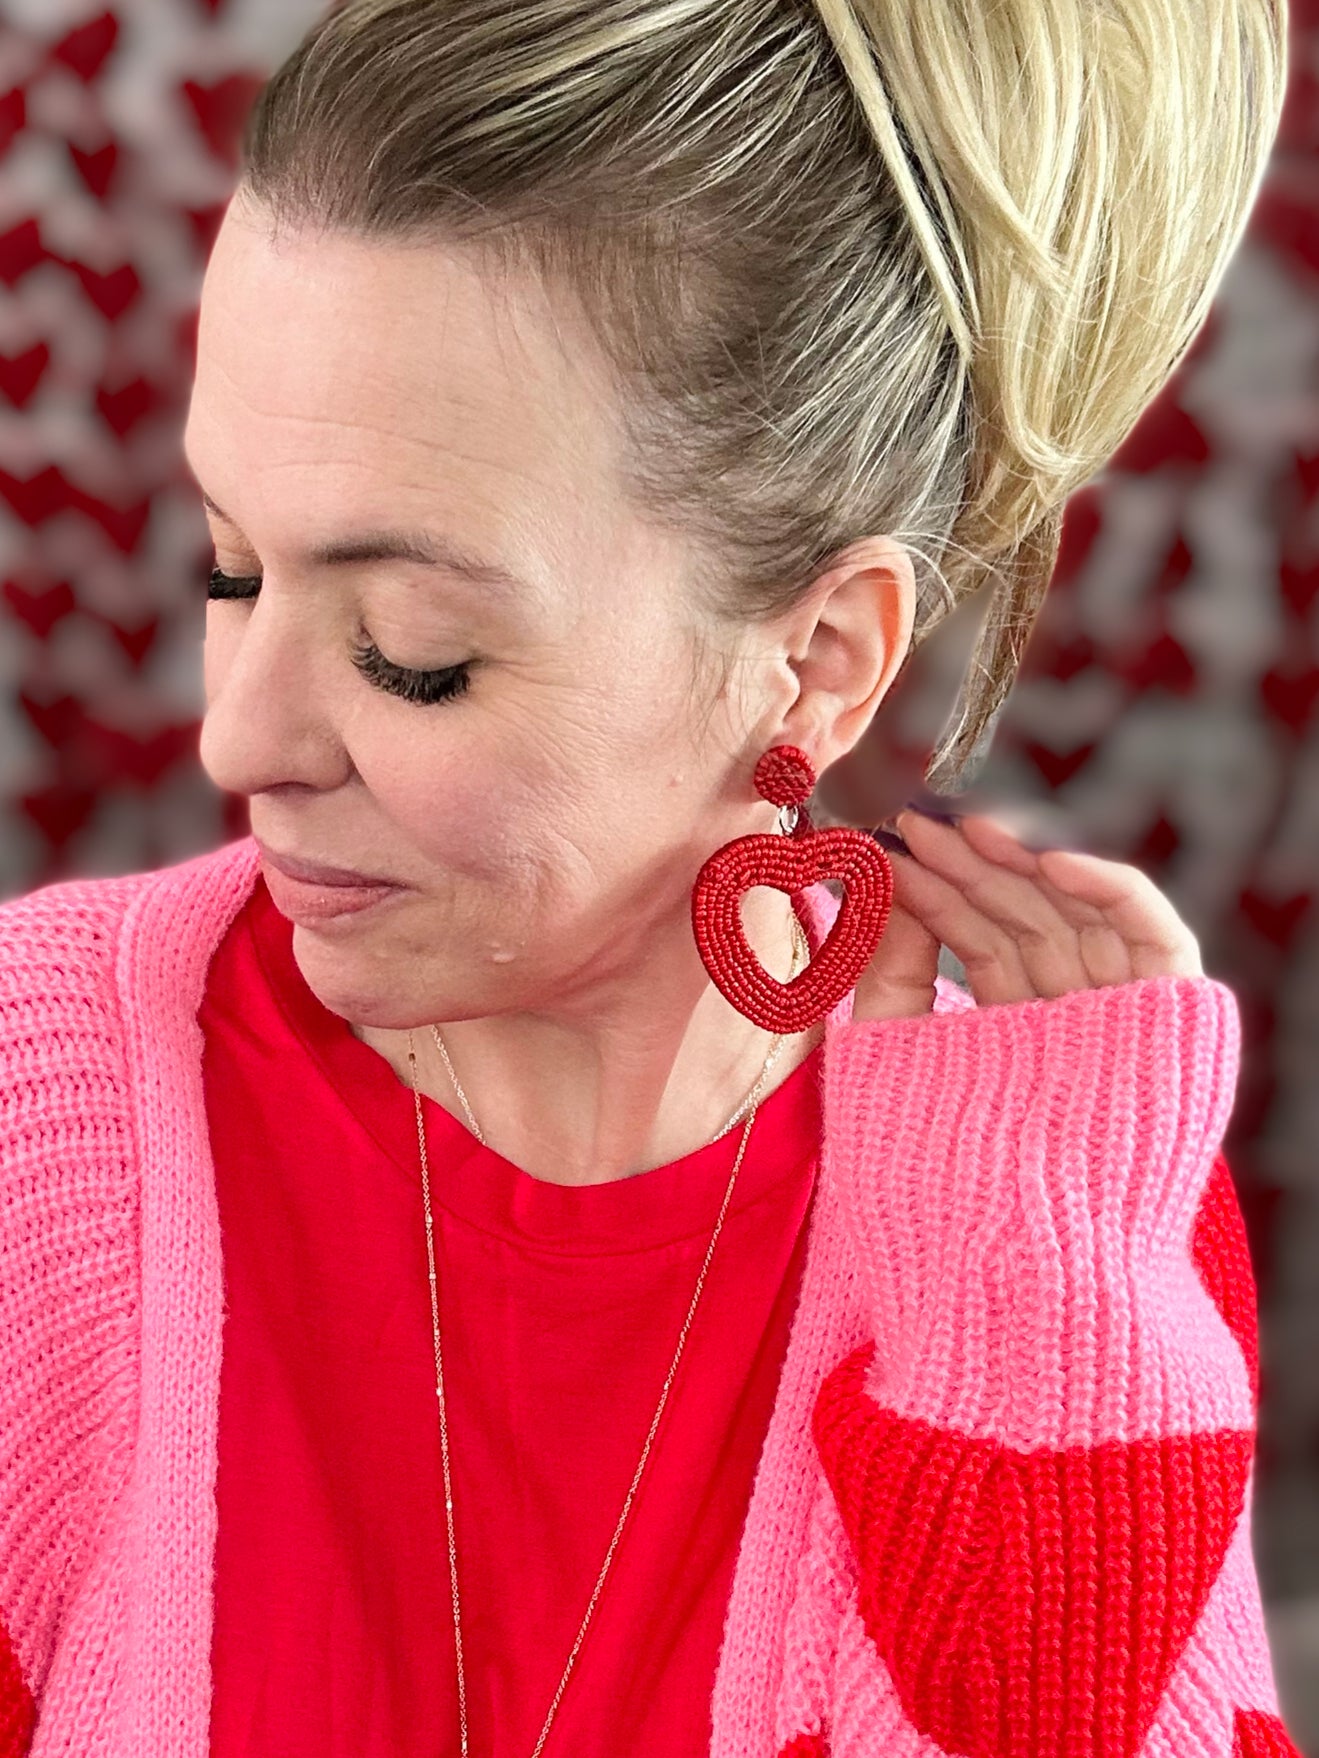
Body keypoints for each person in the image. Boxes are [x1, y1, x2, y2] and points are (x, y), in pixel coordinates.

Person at [0, 1, 1302, 1754]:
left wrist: (1044, 1293)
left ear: (821, 658)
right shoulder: (44, 1098)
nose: (237, 741)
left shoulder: (1051, 1200)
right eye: (232, 568)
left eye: (411, 650)